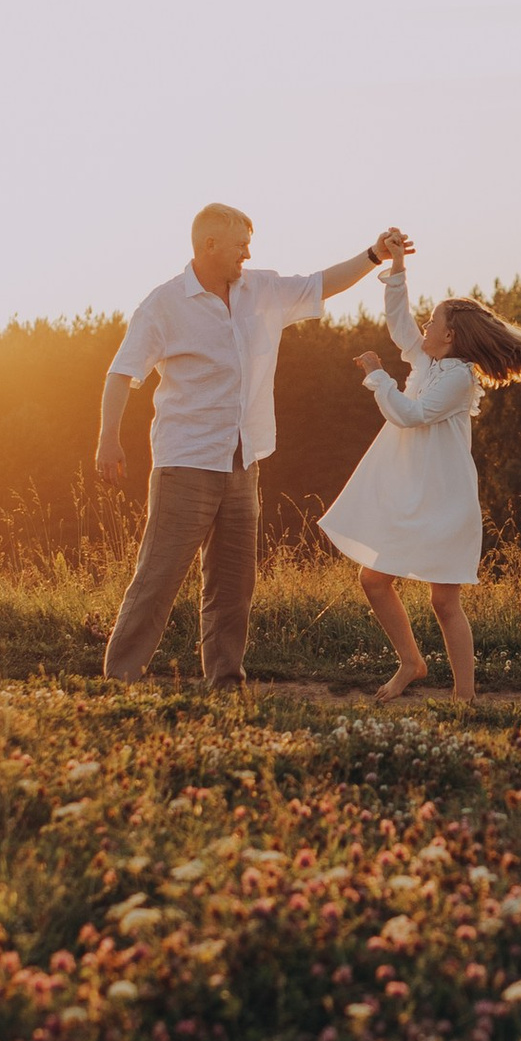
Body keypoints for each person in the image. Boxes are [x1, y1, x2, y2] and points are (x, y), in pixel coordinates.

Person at [97, 204, 411, 687]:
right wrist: (108, 439)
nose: (248, 253)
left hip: (244, 461)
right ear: (209, 246)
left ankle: (225, 680)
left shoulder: (261, 290)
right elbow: (121, 373)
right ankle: (121, 677)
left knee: (233, 584)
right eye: (240, 245)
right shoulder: (163, 304)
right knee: (158, 576)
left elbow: (321, 283)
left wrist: (373, 255)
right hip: (187, 460)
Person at [316, 265, 521, 699]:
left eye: (432, 321)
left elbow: (412, 415)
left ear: (449, 335)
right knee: (373, 580)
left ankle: (464, 698)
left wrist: (378, 376)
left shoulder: (459, 378)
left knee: (444, 602)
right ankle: (412, 662)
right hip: (410, 495)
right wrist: (396, 271)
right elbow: (399, 324)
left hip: (445, 501)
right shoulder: (429, 361)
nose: (424, 326)